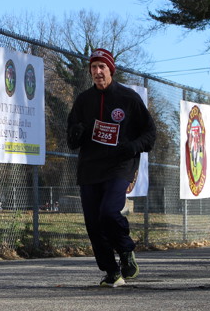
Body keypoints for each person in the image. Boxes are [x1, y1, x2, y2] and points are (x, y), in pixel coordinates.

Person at [67, 48, 156, 286]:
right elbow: (71, 139)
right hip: (90, 168)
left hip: (119, 165)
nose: (97, 72)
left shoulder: (128, 98)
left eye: (102, 67)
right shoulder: (83, 100)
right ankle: (111, 272)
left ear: (111, 70)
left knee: (108, 212)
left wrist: (132, 146)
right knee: (93, 223)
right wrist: (76, 133)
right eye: (93, 67)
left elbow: (150, 134)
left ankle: (126, 250)